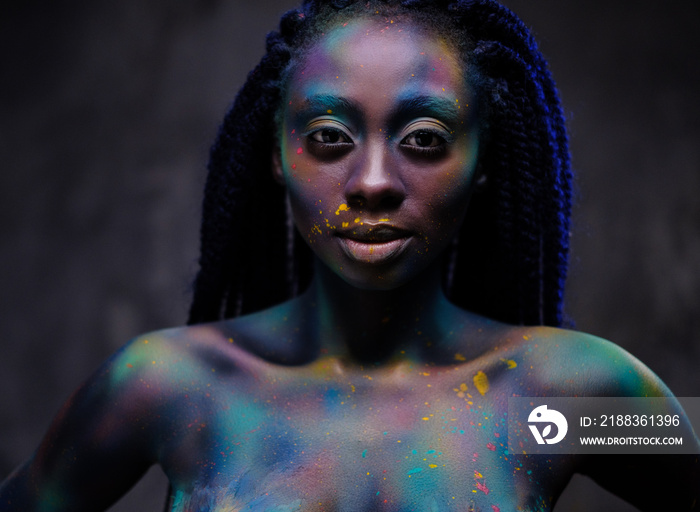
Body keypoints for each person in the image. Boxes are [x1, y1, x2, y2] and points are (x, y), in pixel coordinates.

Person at [1, 0, 698, 510]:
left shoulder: (569, 391)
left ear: (484, 158)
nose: (372, 183)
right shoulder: (169, 386)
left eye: (424, 139)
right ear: (276, 152)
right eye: (330, 137)